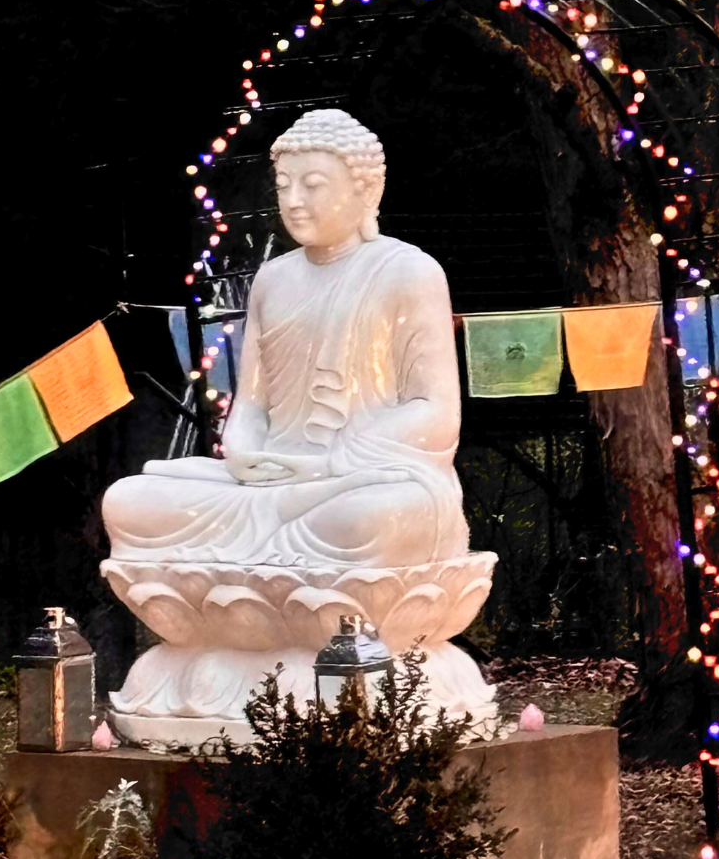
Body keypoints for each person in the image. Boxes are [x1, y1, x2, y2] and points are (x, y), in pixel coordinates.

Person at [102, 108, 470, 569]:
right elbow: (253, 403)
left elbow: (436, 412)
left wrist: (331, 461)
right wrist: (241, 452)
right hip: (273, 478)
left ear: (367, 190)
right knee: (129, 501)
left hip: (358, 479)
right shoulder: (271, 281)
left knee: (373, 519)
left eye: (313, 186)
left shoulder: (408, 272)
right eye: (283, 187)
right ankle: (264, 567)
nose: (293, 201)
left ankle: (257, 574)